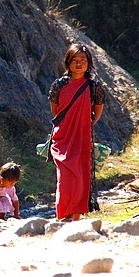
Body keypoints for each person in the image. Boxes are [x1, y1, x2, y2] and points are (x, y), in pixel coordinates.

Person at [48, 43, 105, 222]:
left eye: (83, 60)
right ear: (67, 62)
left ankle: (76, 217)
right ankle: (62, 214)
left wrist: (84, 124)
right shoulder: (59, 85)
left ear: (89, 63)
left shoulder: (94, 86)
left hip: (82, 138)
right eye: (74, 60)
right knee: (64, 177)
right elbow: (56, 110)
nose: (78, 64)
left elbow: (97, 110)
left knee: (80, 176)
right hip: (62, 138)